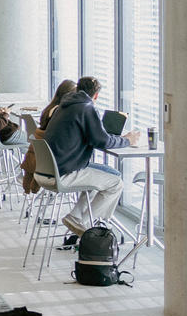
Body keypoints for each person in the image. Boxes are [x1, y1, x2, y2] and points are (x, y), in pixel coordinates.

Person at [44, 77, 144, 236]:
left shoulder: (64, 106)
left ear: (77, 90)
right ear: (96, 95)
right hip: (64, 172)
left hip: (50, 169)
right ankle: (89, 227)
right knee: (116, 183)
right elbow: (100, 140)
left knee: (98, 178)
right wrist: (126, 140)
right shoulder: (86, 108)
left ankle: (75, 217)